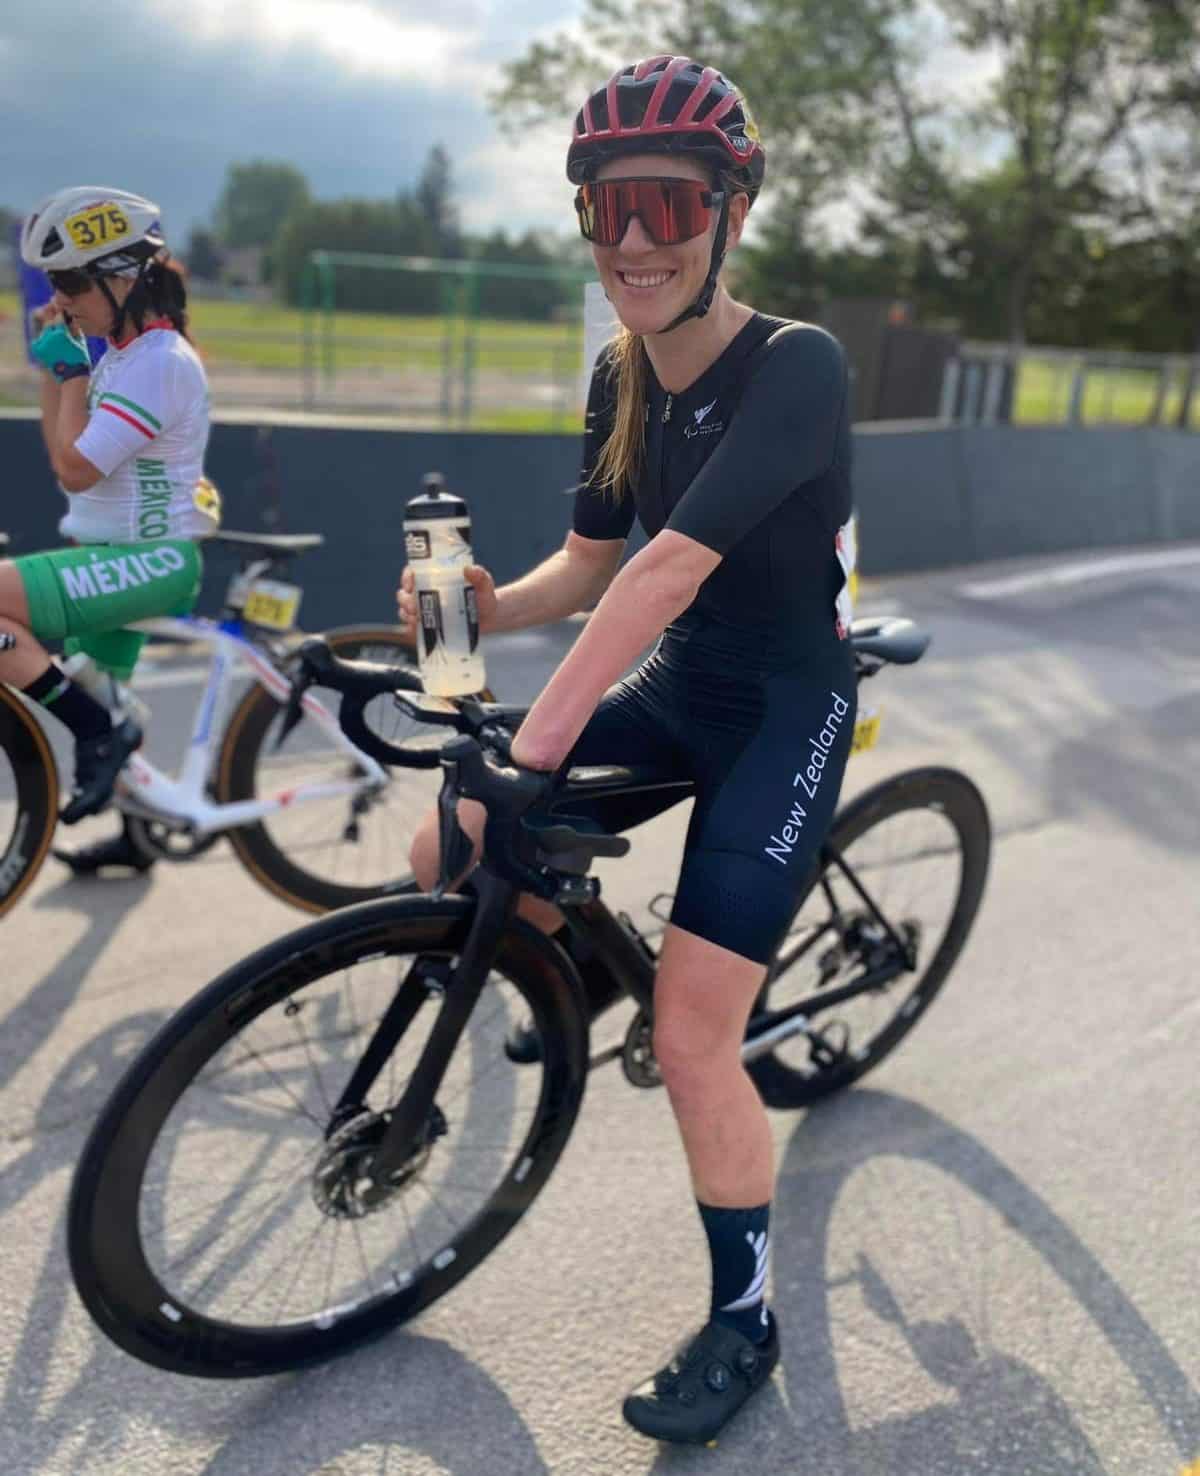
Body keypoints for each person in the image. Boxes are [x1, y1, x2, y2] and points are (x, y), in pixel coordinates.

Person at [400, 55, 857, 1446]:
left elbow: (662, 572)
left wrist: (533, 744)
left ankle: (746, 1317)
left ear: (728, 212)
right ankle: (562, 971)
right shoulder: (622, 376)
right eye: (610, 211)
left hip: (784, 702)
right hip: (682, 679)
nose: (638, 242)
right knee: (451, 838)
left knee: (695, 1038)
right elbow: (592, 565)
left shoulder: (799, 366)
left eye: (667, 205)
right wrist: (494, 606)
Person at [2, 188, 219, 839]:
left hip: (148, 561)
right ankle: (135, 837)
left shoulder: (160, 364)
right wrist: (55, 367)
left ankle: (102, 733)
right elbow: (64, 457)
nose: (61, 296)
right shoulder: (125, 359)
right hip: (109, 554)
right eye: (53, 281)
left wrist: (71, 373)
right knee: (102, 685)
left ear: (124, 278)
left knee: (96, 708)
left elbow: (75, 468)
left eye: (70, 281)